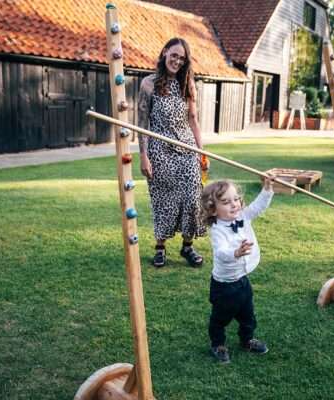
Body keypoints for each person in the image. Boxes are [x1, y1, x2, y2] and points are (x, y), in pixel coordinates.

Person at [137, 38, 207, 268]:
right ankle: (160, 248)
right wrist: (144, 156)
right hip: (160, 150)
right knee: (164, 199)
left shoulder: (187, 83)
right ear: (165, 51)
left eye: (182, 58)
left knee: (193, 198)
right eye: (174, 55)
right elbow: (142, 123)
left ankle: (187, 247)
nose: (177, 61)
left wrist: (201, 152)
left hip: (187, 149)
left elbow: (194, 120)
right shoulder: (148, 84)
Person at [200, 177, 275, 363]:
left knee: (248, 313)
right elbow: (221, 252)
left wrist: (267, 189)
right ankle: (218, 344)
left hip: (242, 280)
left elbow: (258, 207)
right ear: (212, 209)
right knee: (220, 318)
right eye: (225, 202)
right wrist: (235, 252)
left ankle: (247, 339)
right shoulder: (218, 229)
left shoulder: (243, 216)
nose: (234, 204)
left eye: (236, 199)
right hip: (224, 285)